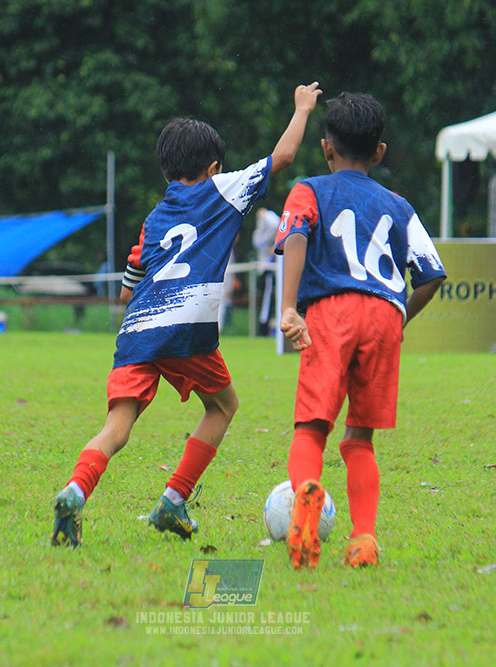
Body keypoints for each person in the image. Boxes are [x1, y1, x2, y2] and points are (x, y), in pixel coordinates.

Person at [50, 82, 323, 547]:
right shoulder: (223, 189)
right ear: (214, 166)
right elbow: (283, 157)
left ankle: (76, 490)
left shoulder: (154, 219)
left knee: (116, 428)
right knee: (224, 406)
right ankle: (173, 500)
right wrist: (301, 109)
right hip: (186, 326)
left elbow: (124, 293)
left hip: (136, 331)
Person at [274, 93, 446, 569]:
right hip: (386, 313)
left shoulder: (308, 190)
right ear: (380, 152)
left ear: (327, 148)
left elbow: (296, 236)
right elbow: (431, 274)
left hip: (332, 311)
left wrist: (290, 308)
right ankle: (363, 540)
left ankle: (306, 512)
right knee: (360, 437)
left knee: (312, 427)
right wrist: (400, 319)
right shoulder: (399, 205)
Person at [252, 208, 281, 335]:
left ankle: (264, 327)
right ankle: (264, 326)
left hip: (269, 267)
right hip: (264, 266)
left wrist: (275, 244)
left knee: (267, 298)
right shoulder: (261, 228)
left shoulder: (269, 219)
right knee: (265, 297)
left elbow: (276, 225)